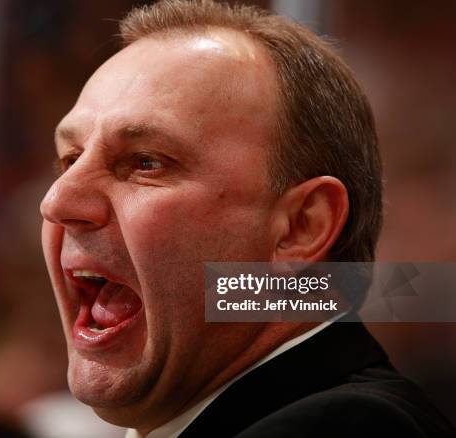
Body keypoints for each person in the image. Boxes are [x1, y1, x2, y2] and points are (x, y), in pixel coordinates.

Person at [39, 1, 455, 436]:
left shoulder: (346, 428)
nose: (57, 201)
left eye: (145, 162)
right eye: (69, 160)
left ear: (301, 227)